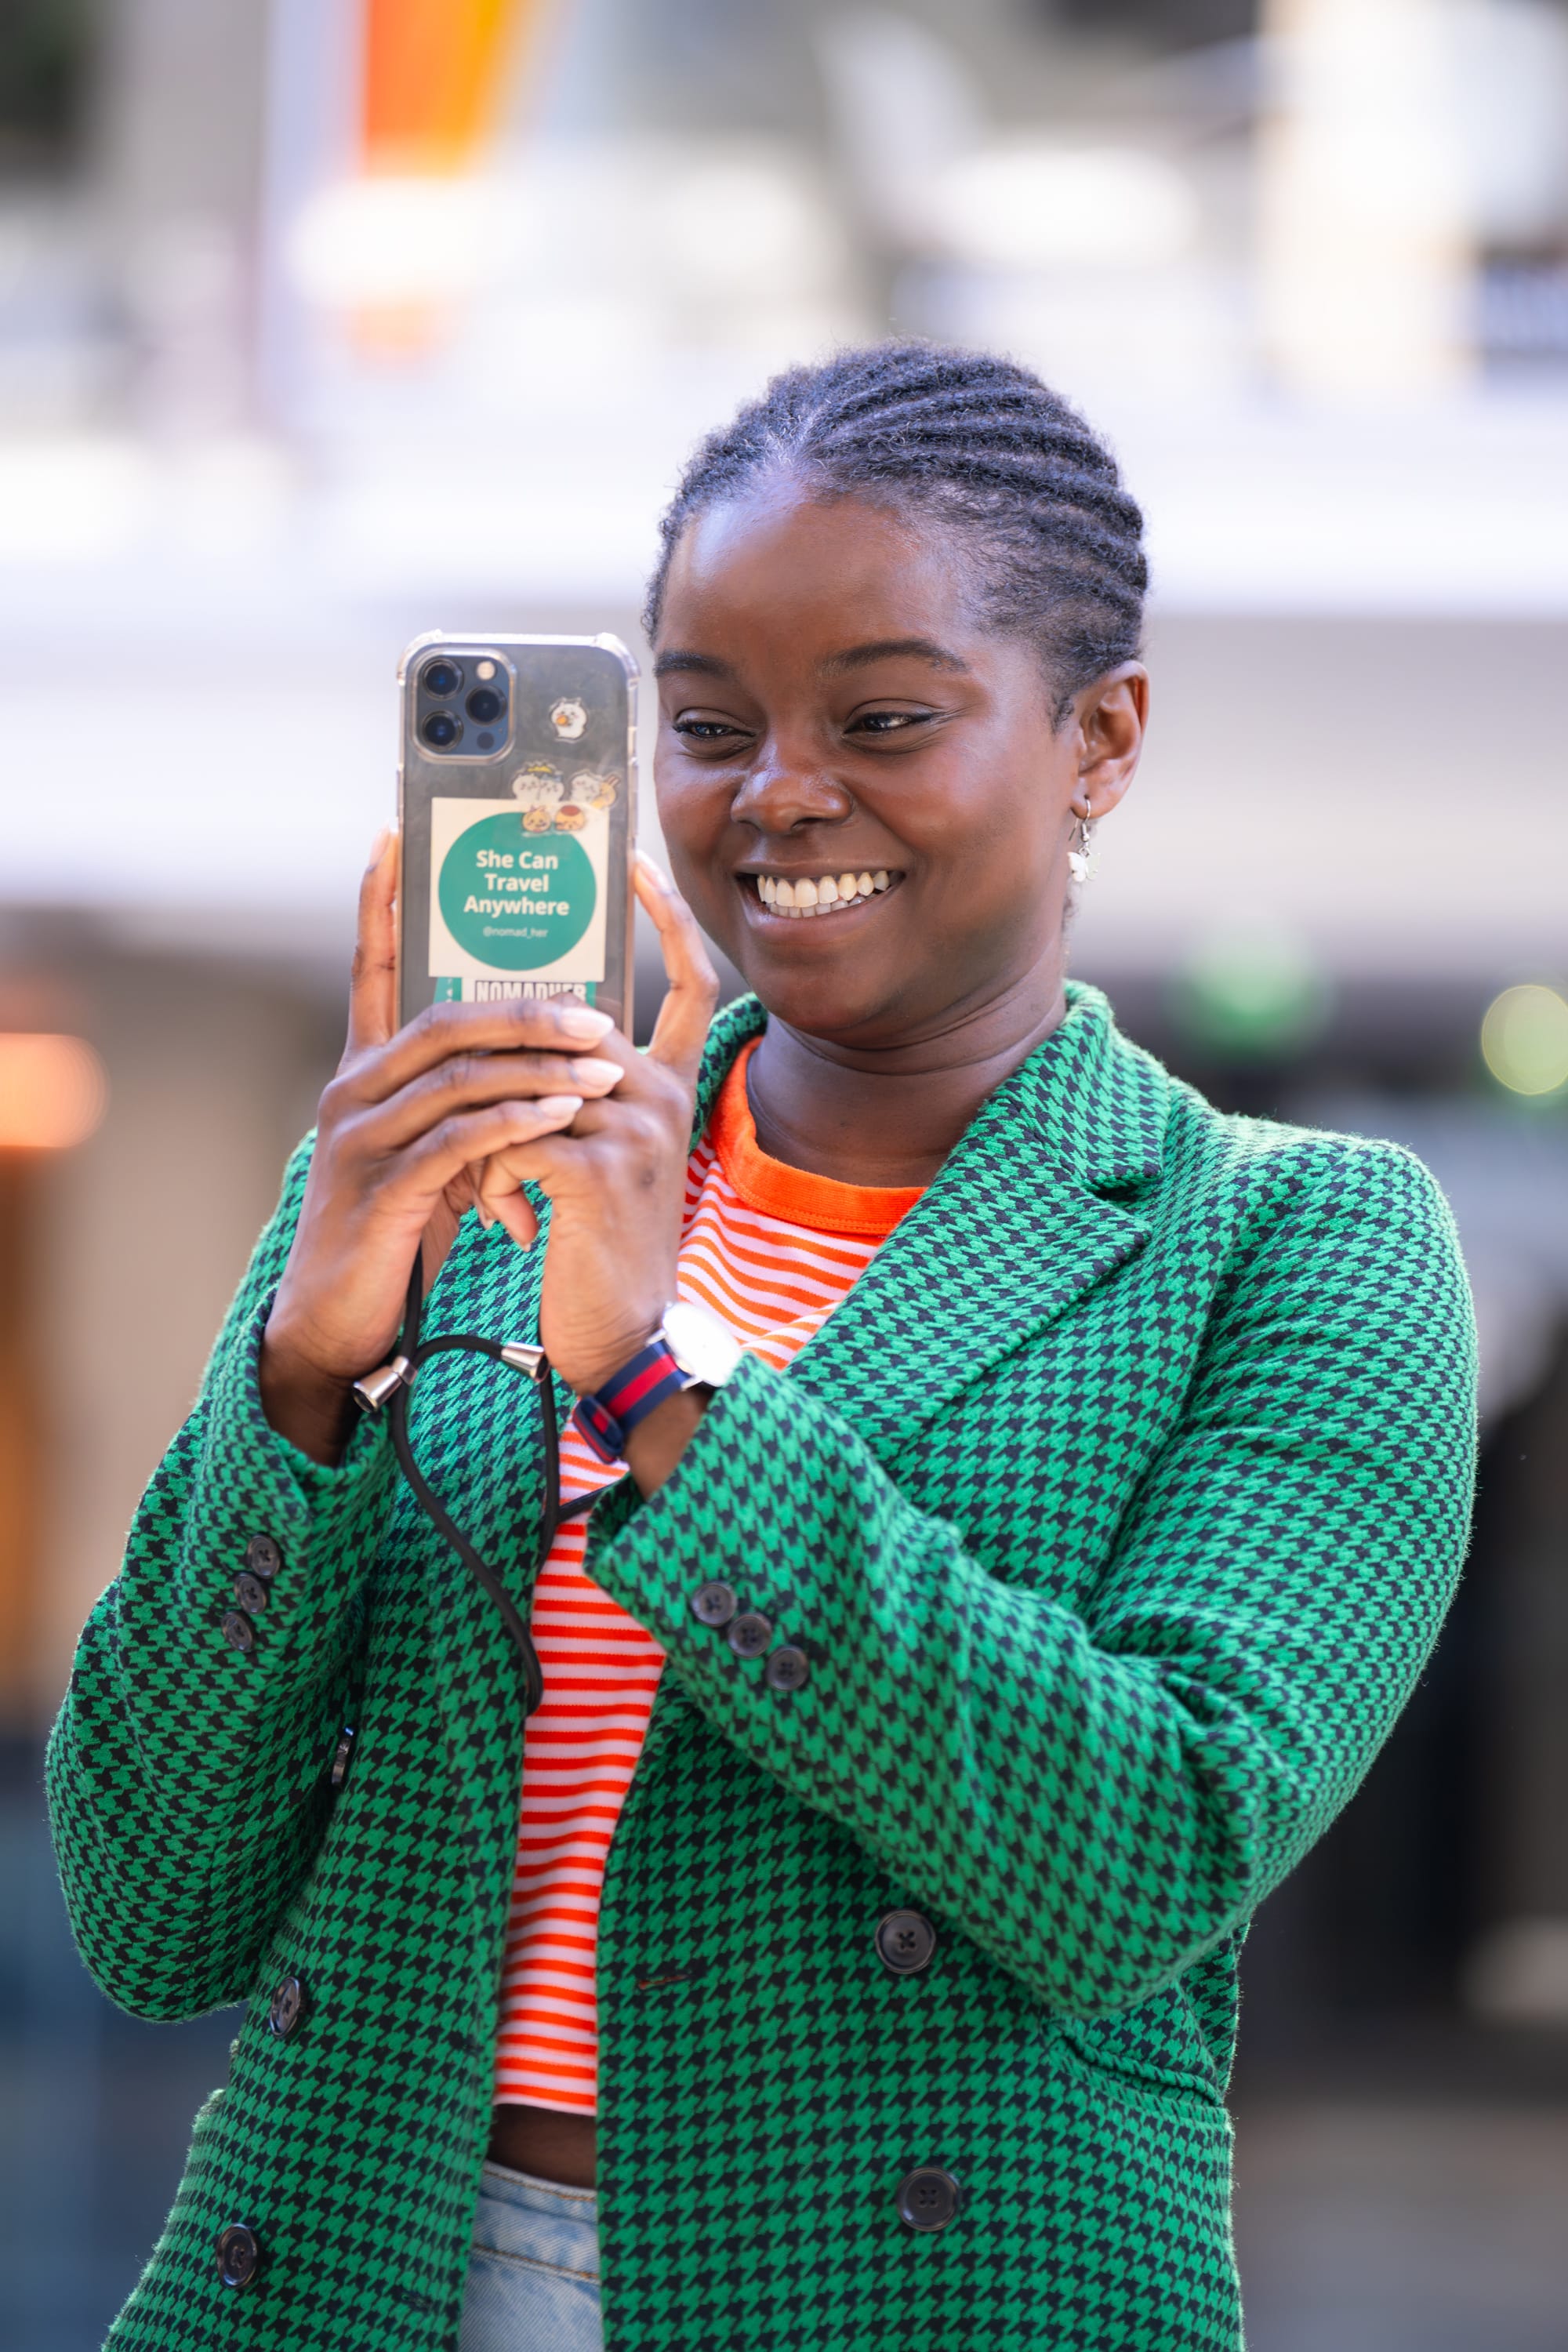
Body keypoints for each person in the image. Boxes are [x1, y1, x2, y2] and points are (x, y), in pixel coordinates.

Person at [49, 343, 1475, 2352]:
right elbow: (147, 1900)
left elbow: (1145, 1859)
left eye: (885, 716)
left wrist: (657, 1388)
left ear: (1101, 737)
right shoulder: (450, 1185)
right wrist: (289, 1392)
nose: (780, 793)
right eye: (707, 725)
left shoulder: (1289, 1242)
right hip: (348, 2272)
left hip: (917, 2299)